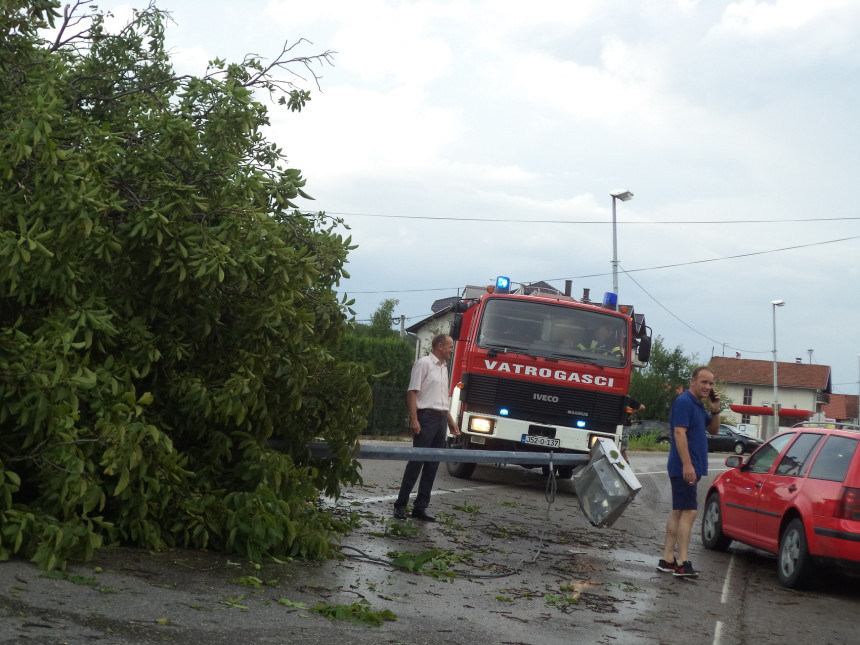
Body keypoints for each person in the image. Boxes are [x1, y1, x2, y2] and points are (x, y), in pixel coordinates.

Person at [658, 366, 721, 578]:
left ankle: (667, 558)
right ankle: (683, 562)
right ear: (692, 381)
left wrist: (715, 410)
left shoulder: (698, 406)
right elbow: (678, 432)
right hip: (685, 467)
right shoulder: (684, 402)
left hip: (690, 467)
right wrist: (687, 464)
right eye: (704, 382)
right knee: (690, 512)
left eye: (711, 383)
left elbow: (713, 430)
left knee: (679, 511)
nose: (707, 387)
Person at [393, 334, 460, 522]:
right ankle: (400, 505)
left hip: (439, 419)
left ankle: (420, 507)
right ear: (440, 346)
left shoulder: (444, 367)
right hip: (426, 417)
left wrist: (450, 420)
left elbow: (441, 399)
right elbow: (412, 392)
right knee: (416, 463)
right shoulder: (424, 364)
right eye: (450, 346)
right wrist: (414, 419)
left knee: (432, 465)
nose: (452, 350)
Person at [620, 395, 645, 462]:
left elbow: (642, 407)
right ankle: (624, 463)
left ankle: (625, 464)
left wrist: (631, 411)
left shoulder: (628, 399)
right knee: (620, 448)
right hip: (619, 423)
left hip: (624, 424)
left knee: (622, 448)